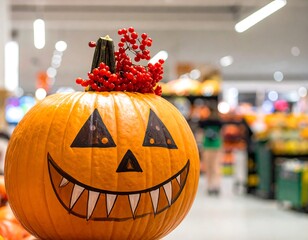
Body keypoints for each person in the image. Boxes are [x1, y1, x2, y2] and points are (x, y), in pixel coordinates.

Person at [199, 104, 223, 195]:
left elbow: (201, 134)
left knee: (209, 167)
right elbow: (221, 134)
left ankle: (210, 185)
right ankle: (215, 185)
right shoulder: (218, 122)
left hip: (208, 146)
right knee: (215, 166)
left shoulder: (205, 122)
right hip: (215, 145)